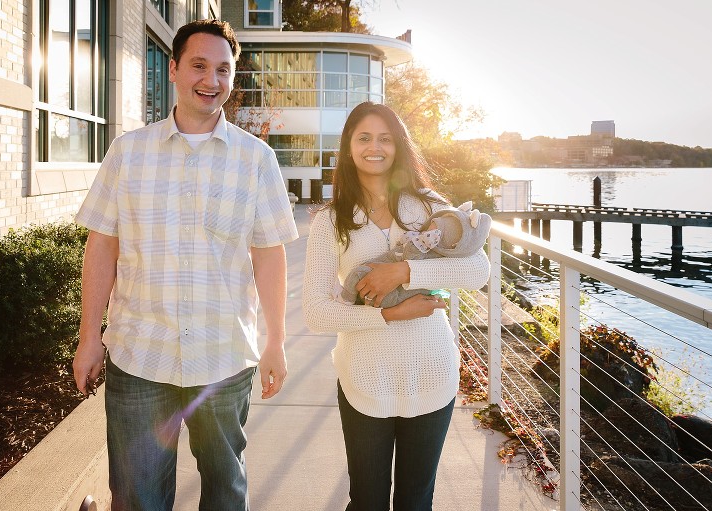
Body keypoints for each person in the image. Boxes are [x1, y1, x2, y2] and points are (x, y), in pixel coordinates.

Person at [72, 19, 298, 510]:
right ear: (173, 69)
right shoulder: (128, 153)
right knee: (136, 497)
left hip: (223, 359)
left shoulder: (256, 160)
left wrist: (276, 341)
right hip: (140, 358)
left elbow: (269, 254)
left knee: (225, 492)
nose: (211, 80)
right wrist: (90, 335)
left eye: (223, 69)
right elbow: (102, 247)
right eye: (199, 65)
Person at [302, 102, 490, 510]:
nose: (375, 147)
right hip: (365, 378)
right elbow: (316, 311)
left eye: (385, 138)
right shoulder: (330, 221)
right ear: (349, 148)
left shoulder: (427, 205)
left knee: (416, 501)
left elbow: (477, 269)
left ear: (399, 146)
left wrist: (404, 272)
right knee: (366, 501)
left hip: (431, 372)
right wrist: (387, 314)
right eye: (364, 138)